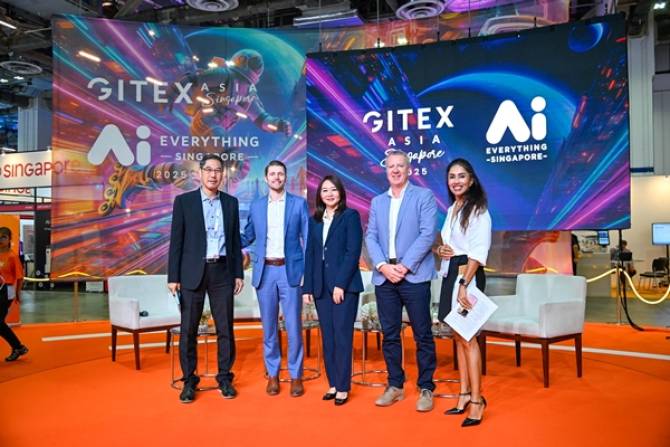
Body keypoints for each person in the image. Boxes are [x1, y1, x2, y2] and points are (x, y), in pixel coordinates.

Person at [167, 153, 244, 403]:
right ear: (200, 173)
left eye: (218, 170)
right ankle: (189, 381)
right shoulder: (184, 202)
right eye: (209, 170)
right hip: (192, 273)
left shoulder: (231, 203)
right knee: (188, 330)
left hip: (222, 271)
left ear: (223, 174)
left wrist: (238, 273)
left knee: (225, 328)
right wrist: (173, 276)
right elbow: (176, 242)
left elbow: (235, 241)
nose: (213, 174)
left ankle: (225, 378)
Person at [365, 149, 438, 412]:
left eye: (400, 166)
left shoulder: (423, 196)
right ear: (386, 170)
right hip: (385, 277)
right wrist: (383, 266)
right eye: (391, 166)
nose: (395, 170)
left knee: (422, 334)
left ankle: (426, 387)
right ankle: (395, 385)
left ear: (409, 170)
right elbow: (371, 236)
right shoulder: (377, 202)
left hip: (414, 275)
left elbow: (428, 234)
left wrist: (404, 266)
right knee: (390, 335)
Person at [241, 160, 309, 397]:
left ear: (285, 177)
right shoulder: (257, 205)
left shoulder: (298, 204)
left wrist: (307, 274)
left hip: (290, 272)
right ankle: (273, 375)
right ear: (266, 178)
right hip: (265, 272)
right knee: (269, 328)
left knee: (294, 327)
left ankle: (296, 376)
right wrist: (225, 238)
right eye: (272, 174)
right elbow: (248, 235)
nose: (277, 177)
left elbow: (308, 239)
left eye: (280, 174)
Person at [435, 158, 491, 427]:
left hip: (467, 275)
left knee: (468, 338)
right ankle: (464, 393)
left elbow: (477, 253)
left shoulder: (478, 210)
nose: (456, 181)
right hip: (451, 273)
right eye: (452, 177)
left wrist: (464, 284)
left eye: (461, 176)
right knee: (457, 337)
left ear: (471, 180)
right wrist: (440, 250)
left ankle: (478, 401)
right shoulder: (452, 209)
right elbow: (452, 245)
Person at [303, 175, 363, 406]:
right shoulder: (315, 221)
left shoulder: (350, 216)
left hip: (344, 288)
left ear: (340, 192)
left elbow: (352, 252)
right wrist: (307, 287)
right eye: (325, 190)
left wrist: (340, 284)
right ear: (319, 195)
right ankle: (334, 383)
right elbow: (311, 255)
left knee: (342, 336)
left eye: (333, 189)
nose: (329, 194)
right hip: (320, 287)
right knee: (327, 337)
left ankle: (343, 387)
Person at [0, 227, 28, 362]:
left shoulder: (12, 256)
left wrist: (18, 293)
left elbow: (20, 277)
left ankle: (18, 347)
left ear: (9, 239)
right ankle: (18, 347)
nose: (0, 239)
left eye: (3, 237)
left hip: (6, 292)